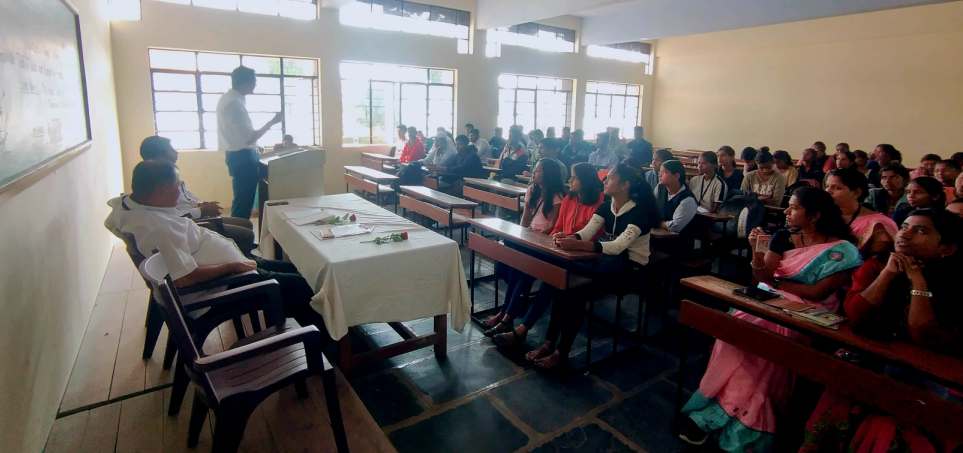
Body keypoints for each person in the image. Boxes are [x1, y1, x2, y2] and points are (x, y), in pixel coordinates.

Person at [679, 187, 861, 450]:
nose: (787, 212)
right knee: (738, 324)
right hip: (770, 300)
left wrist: (776, 285)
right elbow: (762, 278)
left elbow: (817, 292)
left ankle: (744, 422)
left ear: (814, 216)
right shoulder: (784, 237)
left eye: (794, 208)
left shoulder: (842, 250)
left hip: (809, 314)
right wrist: (756, 252)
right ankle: (720, 408)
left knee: (767, 337)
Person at [106, 160, 324, 328]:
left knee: (302, 271)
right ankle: (318, 343)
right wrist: (231, 266)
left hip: (231, 271)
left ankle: (307, 322)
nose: (180, 190)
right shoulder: (158, 228)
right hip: (219, 287)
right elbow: (184, 278)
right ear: (161, 190)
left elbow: (111, 220)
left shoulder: (129, 207)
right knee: (303, 286)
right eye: (177, 185)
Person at [531, 163, 659, 369]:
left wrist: (579, 245)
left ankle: (561, 353)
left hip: (630, 270)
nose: (604, 180)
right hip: (607, 264)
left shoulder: (639, 212)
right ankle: (548, 343)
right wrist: (570, 238)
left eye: (610, 177)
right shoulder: (606, 206)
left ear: (625, 185)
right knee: (562, 283)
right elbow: (586, 233)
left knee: (575, 291)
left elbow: (618, 246)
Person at [486, 159, 568, 344]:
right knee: (510, 266)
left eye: (538, 170)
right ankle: (505, 312)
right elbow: (525, 218)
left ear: (548, 174)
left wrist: (536, 239)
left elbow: (554, 225)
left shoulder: (557, 195)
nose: (534, 172)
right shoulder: (533, 189)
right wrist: (520, 236)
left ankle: (507, 316)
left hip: (544, 243)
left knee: (522, 273)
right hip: (529, 237)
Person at [139, 135, 256, 255]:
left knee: (246, 223)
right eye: (172, 149)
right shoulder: (158, 181)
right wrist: (201, 211)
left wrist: (200, 204)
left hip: (194, 218)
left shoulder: (168, 172)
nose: (176, 152)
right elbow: (171, 216)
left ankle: (245, 256)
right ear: (161, 154)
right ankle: (243, 260)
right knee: (246, 234)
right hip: (191, 224)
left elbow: (185, 198)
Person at [217, 66, 282, 219]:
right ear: (246, 82)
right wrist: (273, 122)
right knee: (243, 203)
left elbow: (242, 136)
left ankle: (242, 231)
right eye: (254, 81)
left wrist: (256, 147)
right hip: (243, 158)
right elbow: (249, 138)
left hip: (240, 155)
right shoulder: (234, 104)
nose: (255, 85)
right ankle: (239, 233)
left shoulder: (230, 98)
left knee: (243, 200)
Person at [824, 168, 898, 254]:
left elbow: (879, 259)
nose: (828, 191)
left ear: (857, 193)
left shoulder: (878, 224)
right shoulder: (822, 215)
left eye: (837, 188)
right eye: (827, 186)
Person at [655, 160, 698, 234]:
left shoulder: (688, 199)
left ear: (676, 176)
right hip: (657, 233)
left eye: (664, 172)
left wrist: (657, 223)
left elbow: (675, 226)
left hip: (678, 239)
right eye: (660, 172)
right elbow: (650, 207)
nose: (660, 175)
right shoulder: (660, 188)